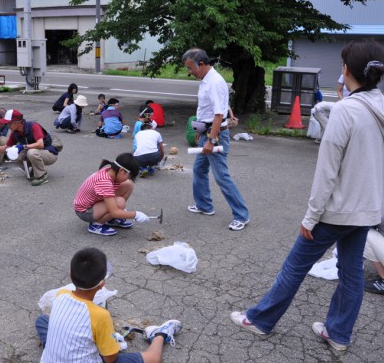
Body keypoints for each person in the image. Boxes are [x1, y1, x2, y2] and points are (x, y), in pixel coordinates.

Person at [230, 40, 384, 351]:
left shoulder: (347, 111)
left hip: (337, 211)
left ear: (346, 70)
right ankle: (338, 334)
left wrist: (310, 217)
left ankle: (260, 320)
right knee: (350, 274)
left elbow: (327, 172)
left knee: (294, 266)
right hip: (368, 210)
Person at [35, 247, 182, 363]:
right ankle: (160, 334)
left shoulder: (61, 295)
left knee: (42, 320)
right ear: (102, 284)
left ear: (70, 274)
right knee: (152, 358)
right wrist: (112, 343)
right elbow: (110, 358)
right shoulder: (100, 315)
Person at [181, 48, 250, 231]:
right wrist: (200, 129)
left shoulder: (214, 82)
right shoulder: (205, 80)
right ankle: (204, 205)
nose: (190, 72)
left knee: (222, 177)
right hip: (207, 132)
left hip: (215, 135)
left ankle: (241, 215)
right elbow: (210, 109)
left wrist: (211, 141)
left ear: (201, 64)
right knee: (199, 169)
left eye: (190, 68)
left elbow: (219, 115)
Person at [74, 153, 149, 236]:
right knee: (120, 202)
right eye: (129, 175)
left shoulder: (110, 171)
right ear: (121, 170)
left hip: (94, 202)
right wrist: (135, 215)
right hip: (85, 211)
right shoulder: (104, 182)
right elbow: (115, 211)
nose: (129, 178)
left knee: (128, 184)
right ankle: (96, 225)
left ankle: (109, 219)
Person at [0, 109, 57, 186]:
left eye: (9, 123)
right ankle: (32, 171)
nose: (7, 126)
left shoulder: (33, 126)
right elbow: (5, 148)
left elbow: (40, 144)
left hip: (49, 153)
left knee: (31, 152)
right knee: (15, 154)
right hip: (36, 152)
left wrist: (23, 146)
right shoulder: (15, 133)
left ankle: (42, 175)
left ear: (16, 123)